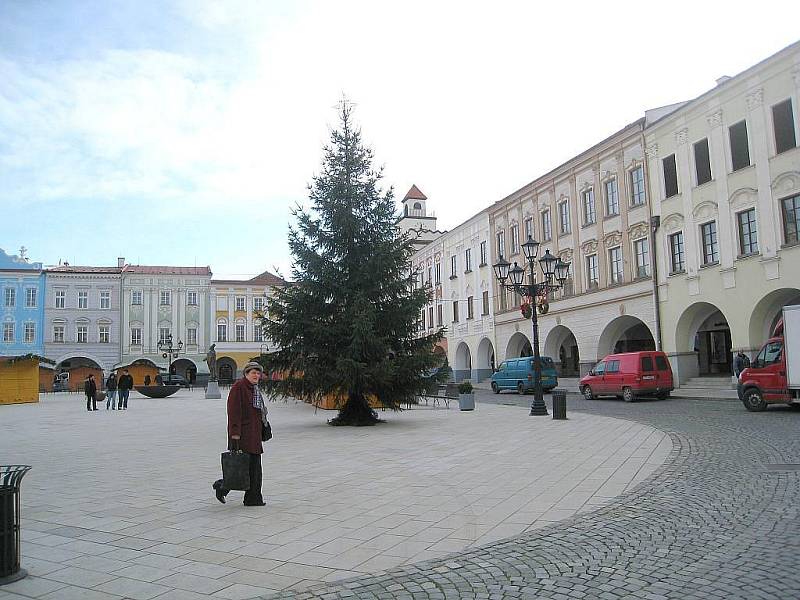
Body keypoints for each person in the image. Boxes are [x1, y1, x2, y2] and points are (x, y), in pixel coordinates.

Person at [213, 362, 268, 506]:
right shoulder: (239, 388)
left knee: (253, 469)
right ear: (246, 374)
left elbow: (259, 412)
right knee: (241, 467)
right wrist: (235, 434)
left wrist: (264, 428)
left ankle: (252, 498)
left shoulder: (254, 389)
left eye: (258, 373)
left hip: (254, 435)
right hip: (242, 436)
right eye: (253, 373)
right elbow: (234, 412)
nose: (256, 375)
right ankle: (222, 486)